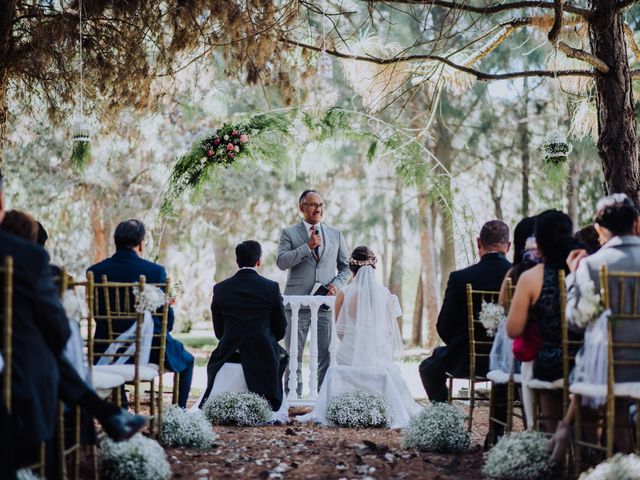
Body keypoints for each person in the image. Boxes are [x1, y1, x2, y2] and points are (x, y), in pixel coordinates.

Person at [0, 179, 144, 478]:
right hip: (17, 385)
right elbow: (59, 333)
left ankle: (111, 415)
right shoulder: (26, 257)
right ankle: (105, 418)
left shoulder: (92, 270)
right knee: (46, 355)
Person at [547, 194, 640, 462]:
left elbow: (575, 322)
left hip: (608, 368)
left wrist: (575, 276)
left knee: (595, 368)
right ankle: (626, 459)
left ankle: (596, 457)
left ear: (599, 229)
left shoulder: (590, 265)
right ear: (636, 223)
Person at [298, 247, 420, 428]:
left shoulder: (344, 293)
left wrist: (354, 342)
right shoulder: (385, 294)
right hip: (378, 357)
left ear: (352, 268)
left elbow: (339, 331)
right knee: (387, 367)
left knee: (340, 358)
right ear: (373, 267)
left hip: (348, 354)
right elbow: (388, 331)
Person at [88, 219, 194, 408]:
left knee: (109, 341)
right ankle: (179, 413)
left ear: (116, 241)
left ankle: (121, 409)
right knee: (188, 361)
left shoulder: (94, 272)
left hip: (105, 347)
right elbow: (166, 323)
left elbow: (97, 314)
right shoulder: (155, 272)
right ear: (141, 243)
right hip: (149, 349)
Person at [506, 210, 582, 435]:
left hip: (551, 364)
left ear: (538, 242)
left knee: (537, 362)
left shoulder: (531, 277)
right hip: (586, 363)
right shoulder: (583, 268)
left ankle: (546, 435)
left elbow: (513, 329)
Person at [420, 220, 512, 400]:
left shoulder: (461, 278)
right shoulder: (519, 277)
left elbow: (444, 326)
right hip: (508, 360)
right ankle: (502, 424)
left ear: (479, 243)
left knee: (428, 369)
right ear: (508, 246)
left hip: (467, 359)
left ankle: (446, 418)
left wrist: (461, 344)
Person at [199, 241, 288, 416]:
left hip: (230, 351)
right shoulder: (271, 288)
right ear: (259, 261)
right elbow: (280, 328)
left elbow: (219, 331)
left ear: (237, 261)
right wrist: (267, 339)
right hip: (263, 353)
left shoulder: (221, 288)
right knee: (282, 354)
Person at [276, 189, 350, 395]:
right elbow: (282, 262)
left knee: (326, 353)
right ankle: (293, 396)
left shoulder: (336, 234)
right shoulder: (289, 233)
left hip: (325, 304)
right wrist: (307, 247)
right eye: (313, 205)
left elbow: (345, 267)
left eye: (321, 205)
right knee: (293, 353)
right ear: (302, 207)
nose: (318, 209)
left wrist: (336, 284)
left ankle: (322, 397)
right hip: (296, 304)